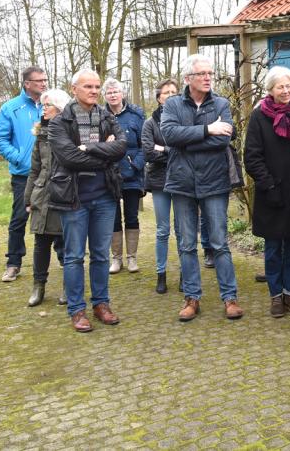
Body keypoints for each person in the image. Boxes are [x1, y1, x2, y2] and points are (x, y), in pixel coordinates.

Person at [160, 54, 243, 322]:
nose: (208, 78)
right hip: (182, 183)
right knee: (186, 244)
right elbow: (169, 135)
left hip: (214, 183)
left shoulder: (222, 103)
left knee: (219, 243)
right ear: (188, 79)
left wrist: (188, 139)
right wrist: (208, 129)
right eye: (202, 74)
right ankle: (192, 298)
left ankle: (230, 298)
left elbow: (223, 141)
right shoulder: (172, 104)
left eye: (210, 73)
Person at [48, 69, 127, 332]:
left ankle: (101, 304)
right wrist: (106, 152)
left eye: (96, 86)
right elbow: (69, 158)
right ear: (74, 89)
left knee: (101, 255)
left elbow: (122, 147)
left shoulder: (106, 116)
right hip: (74, 198)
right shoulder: (60, 122)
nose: (94, 91)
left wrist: (90, 148)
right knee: (73, 257)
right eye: (88, 87)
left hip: (104, 195)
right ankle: (77, 310)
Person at [244, 65, 290, 319]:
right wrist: (268, 184)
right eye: (280, 86)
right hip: (271, 192)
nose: (286, 90)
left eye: (289, 86)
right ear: (270, 90)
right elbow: (252, 156)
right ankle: (275, 296)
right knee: (273, 248)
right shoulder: (259, 116)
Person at [0, 66, 47, 282]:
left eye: (45, 79)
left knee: (56, 216)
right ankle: (13, 262)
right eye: (39, 80)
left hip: (51, 173)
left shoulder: (51, 104)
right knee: (19, 218)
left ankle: (63, 257)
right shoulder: (10, 108)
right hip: (24, 175)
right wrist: (20, 158)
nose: (43, 83)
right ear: (27, 84)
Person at [23, 88, 71, 308]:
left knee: (67, 243)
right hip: (42, 194)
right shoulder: (40, 135)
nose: (43, 109)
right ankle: (38, 285)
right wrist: (28, 199)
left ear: (60, 108)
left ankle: (69, 287)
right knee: (41, 242)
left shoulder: (71, 132)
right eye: (43, 105)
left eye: (48, 105)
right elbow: (35, 169)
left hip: (65, 193)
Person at [103, 78, 145, 274]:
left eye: (115, 91)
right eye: (108, 92)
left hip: (131, 176)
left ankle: (132, 258)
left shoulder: (136, 115)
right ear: (105, 96)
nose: (112, 95)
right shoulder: (99, 116)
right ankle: (116, 258)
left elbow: (146, 144)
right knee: (112, 218)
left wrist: (135, 164)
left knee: (131, 216)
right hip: (108, 174)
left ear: (123, 94)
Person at [143, 78, 179, 294]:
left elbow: (189, 147)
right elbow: (148, 152)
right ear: (158, 97)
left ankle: (187, 274)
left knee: (185, 231)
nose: (171, 95)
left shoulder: (185, 119)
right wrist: (171, 151)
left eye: (174, 91)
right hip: (159, 181)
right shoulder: (150, 123)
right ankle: (161, 274)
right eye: (166, 92)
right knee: (162, 230)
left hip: (183, 180)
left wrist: (163, 149)